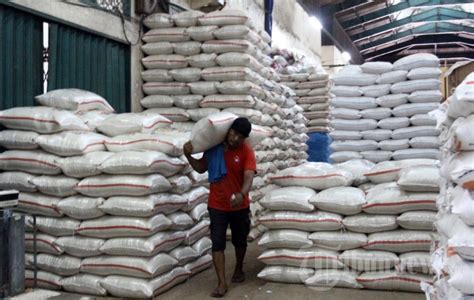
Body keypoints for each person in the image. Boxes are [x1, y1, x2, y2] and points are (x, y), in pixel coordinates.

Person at [183, 117, 256, 298]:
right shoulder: (214, 149)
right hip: (217, 205)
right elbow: (201, 168)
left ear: (244, 138)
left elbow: (249, 177)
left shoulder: (246, 152)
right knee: (217, 243)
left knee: (240, 241)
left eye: (240, 136)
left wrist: (241, 194)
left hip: (240, 206)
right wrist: (188, 155)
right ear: (228, 131)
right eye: (233, 133)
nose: (235, 138)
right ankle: (222, 282)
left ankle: (239, 268)